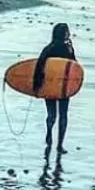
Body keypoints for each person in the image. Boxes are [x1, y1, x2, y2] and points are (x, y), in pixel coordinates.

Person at [33, 21, 76, 155]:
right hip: (63, 87)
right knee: (63, 115)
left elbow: (39, 68)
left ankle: (49, 133)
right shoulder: (67, 49)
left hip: (49, 86)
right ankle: (60, 145)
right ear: (63, 34)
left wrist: (37, 87)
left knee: (51, 114)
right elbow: (74, 67)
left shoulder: (48, 48)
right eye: (67, 31)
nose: (69, 34)